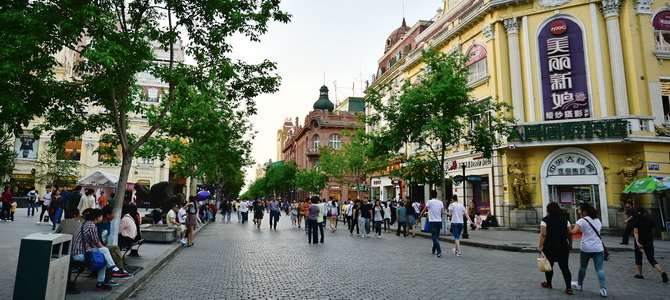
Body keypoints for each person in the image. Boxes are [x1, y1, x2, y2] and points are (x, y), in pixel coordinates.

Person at [71, 208, 129, 292]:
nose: (102, 217)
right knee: (105, 251)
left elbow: (91, 242)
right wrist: (103, 248)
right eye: (101, 216)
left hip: (81, 253)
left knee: (104, 257)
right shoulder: (91, 226)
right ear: (98, 217)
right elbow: (97, 242)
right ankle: (113, 269)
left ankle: (102, 282)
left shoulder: (85, 224)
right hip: (81, 255)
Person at [569, 203, 607, 297]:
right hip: (598, 247)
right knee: (599, 269)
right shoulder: (598, 220)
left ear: (584, 212)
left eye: (579, 210)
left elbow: (573, 232)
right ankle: (603, 289)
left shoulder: (582, 221)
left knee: (583, 267)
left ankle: (579, 284)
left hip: (586, 247)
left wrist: (565, 229)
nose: (578, 211)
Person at [538, 202, 573, 294]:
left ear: (548, 210)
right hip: (562, 245)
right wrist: (570, 244)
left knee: (549, 266)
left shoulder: (545, 220)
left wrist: (540, 246)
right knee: (565, 267)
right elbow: (569, 233)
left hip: (549, 246)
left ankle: (549, 283)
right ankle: (568, 287)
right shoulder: (565, 220)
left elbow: (543, 234)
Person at [97, 206, 131, 285]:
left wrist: (105, 246)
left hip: (104, 246)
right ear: (107, 215)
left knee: (113, 255)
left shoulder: (108, 223)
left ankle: (108, 279)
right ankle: (120, 268)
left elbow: (106, 236)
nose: (114, 215)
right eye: (112, 213)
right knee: (115, 248)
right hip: (97, 246)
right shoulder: (99, 224)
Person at [632, 208, 668, 283]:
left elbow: (636, 232)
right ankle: (662, 271)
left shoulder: (636, 221)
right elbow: (653, 232)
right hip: (649, 242)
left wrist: (637, 242)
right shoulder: (650, 221)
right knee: (651, 259)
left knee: (638, 258)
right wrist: (651, 239)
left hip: (640, 243)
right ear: (644, 213)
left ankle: (640, 274)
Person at [420, 190, 446, 257]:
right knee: (436, 236)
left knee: (434, 237)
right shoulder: (440, 202)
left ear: (431, 195)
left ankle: (439, 251)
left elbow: (424, 209)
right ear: (436, 195)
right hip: (439, 221)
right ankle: (434, 248)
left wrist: (421, 215)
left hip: (432, 221)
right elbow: (442, 211)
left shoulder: (429, 202)